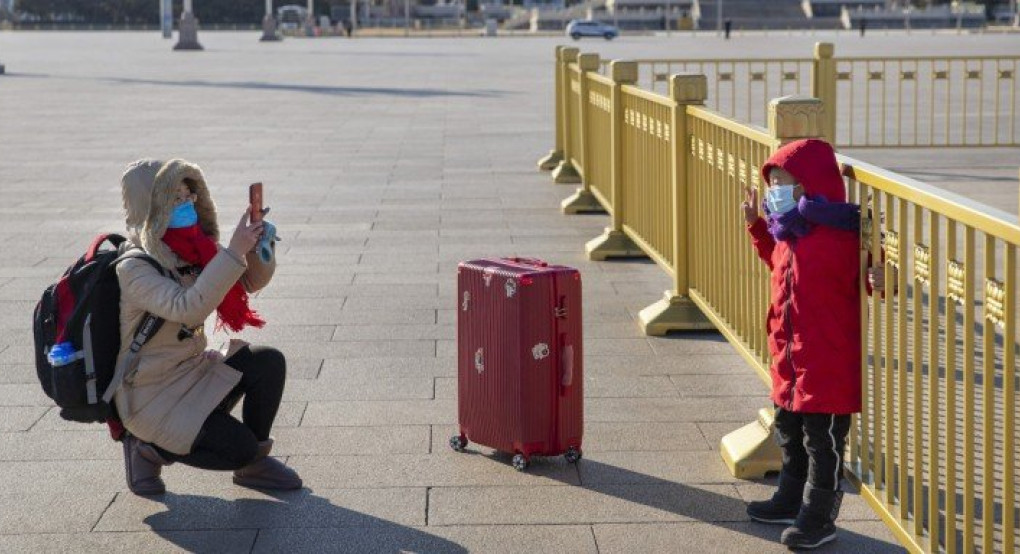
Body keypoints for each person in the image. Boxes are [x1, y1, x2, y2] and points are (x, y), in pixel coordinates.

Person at [113, 158, 301, 495]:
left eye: (189, 197)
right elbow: (188, 308)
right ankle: (147, 447)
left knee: (268, 362)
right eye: (175, 200)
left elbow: (246, 283)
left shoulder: (192, 247)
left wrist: (258, 247)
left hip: (193, 372)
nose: (187, 206)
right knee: (236, 447)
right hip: (153, 395)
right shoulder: (134, 267)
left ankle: (254, 464)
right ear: (151, 208)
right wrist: (231, 251)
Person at [740, 139, 883, 549]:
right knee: (788, 428)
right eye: (771, 185)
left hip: (827, 361)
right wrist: (756, 225)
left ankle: (819, 516)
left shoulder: (843, 235)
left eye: (781, 182)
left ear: (809, 184)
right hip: (789, 358)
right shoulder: (788, 229)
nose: (774, 193)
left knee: (823, 442)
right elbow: (775, 261)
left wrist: (881, 277)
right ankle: (789, 498)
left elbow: (876, 274)